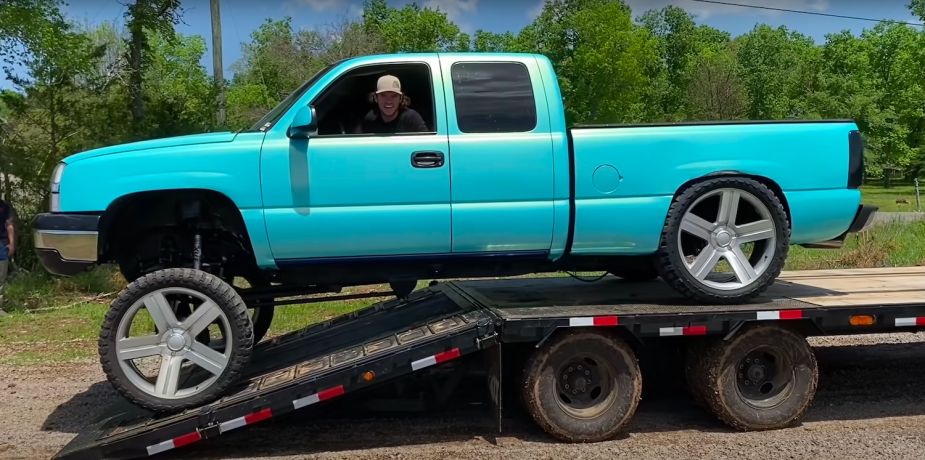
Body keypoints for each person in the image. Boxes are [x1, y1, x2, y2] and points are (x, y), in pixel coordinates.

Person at [356, 74, 428, 134]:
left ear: (400, 98)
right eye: (383, 95)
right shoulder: (370, 119)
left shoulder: (411, 118)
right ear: (376, 98)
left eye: (394, 96)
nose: (388, 101)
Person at [0, 198, 14, 316]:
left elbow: (9, 225)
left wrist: (12, 244)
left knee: (1, 277)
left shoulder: (4, 206)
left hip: (2, 244)